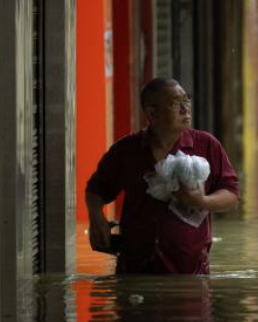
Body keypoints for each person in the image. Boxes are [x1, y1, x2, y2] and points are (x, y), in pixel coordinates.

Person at [85, 78, 240, 274]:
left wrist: (201, 201)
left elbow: (231, 195)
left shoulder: (206, 146)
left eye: (186, 101)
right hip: (134, 273)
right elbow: (96, 189)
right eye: (175, 103)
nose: (185, 109)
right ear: (152, 113)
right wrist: (96, 217)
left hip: (191, 275)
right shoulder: (126, 151)